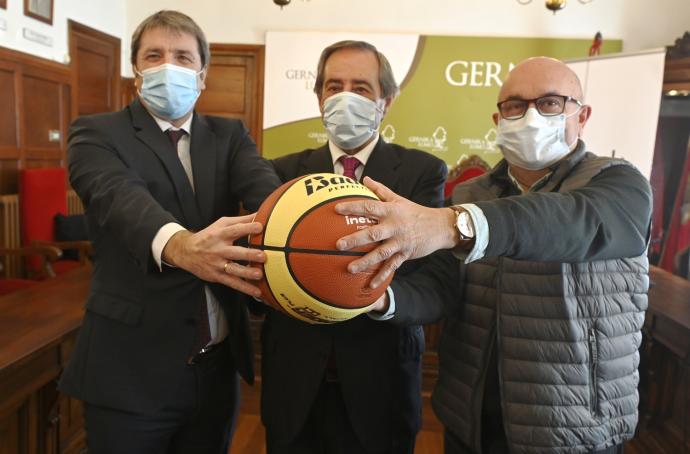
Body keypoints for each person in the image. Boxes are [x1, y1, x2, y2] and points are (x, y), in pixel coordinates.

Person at [335, 56, 653, 453]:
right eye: (516, 106)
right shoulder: (472, 194)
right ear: (498, 119)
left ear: (582, 115)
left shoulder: (618, 185)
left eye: (551, 103)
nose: (531, 116)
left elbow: (571, 222)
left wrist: (455, 225)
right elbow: (442, 290)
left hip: (570, 425)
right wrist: (377, 295)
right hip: (470, 417)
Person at [59, 10, 281, 454]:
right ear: (137, 72)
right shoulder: (96, 133)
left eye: (182, 57)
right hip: (129, 374)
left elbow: (267, 194)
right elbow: (120, 199)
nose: (168, 66)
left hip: (215, 373)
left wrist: (301, 223)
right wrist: (180, 245)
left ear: (201, 76)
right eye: (154, 55)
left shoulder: (229, 135)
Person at [260, 40, 448, 454]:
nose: (345, 96)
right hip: (294, 381)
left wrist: (373, 299)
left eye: (361, 88)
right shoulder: (279, 172)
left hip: (380, 381)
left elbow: (432, 284)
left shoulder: (422, 172)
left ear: (387, 100)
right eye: (334, 86)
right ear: (319, 97)